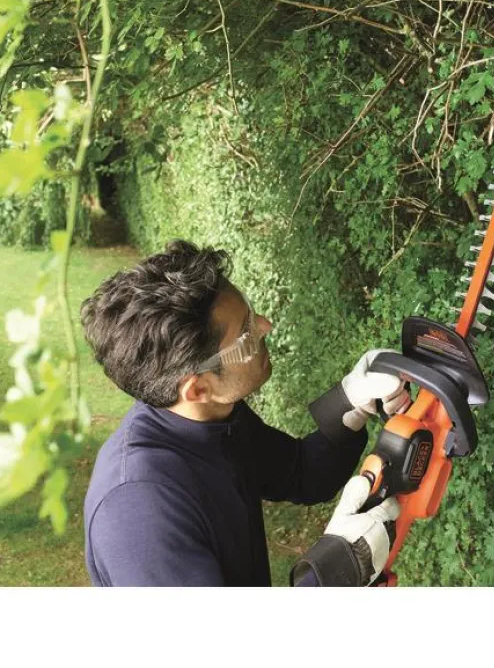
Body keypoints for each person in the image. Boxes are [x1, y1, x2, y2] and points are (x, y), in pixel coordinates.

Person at [80, 239, 409, 586]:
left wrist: (350, 405)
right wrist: (334, 572)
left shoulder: (213, 417)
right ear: (198, 389)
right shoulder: (138, 514)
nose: (265, 325)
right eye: (246, 335)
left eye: (250, 313)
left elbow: (302, 474)